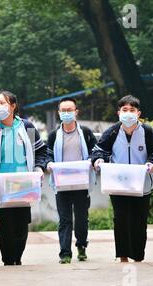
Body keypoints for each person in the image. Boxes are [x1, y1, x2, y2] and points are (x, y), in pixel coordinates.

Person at [91, 95, 153, 262]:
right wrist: (98, 160)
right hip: (118, 183)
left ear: (138, 113)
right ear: (119, 113)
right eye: (125, 110)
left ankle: (138, 254)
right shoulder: (112, 131)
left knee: (139, 219)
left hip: (142, 184)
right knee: (121, 219)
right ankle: (123, 255)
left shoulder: (148, 132)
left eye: (132, 110)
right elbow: (98, 150)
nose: (128, 113)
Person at [0, 91, 47, 266]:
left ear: (12, 106)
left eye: (2, 103)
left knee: (21, 222)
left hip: (24, 183)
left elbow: (40, 151)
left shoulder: (27, 127)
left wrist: (39, 168)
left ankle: (18, 256)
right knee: (6, 223)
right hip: (0, 184)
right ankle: (8, 259)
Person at [46, 97, 97, 264]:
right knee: (65, 219)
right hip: (62, 184)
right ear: (59, 113)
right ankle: (65, 253)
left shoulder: (86, 133)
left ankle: (82, 246)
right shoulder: (54, 135)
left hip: (81, 183)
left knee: (82, 218)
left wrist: (94, 162)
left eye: (70, 110)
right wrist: (48, 164)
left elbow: (96, 152)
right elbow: (47, 155)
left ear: (76, 112)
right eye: (63, 110)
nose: (66, 113)